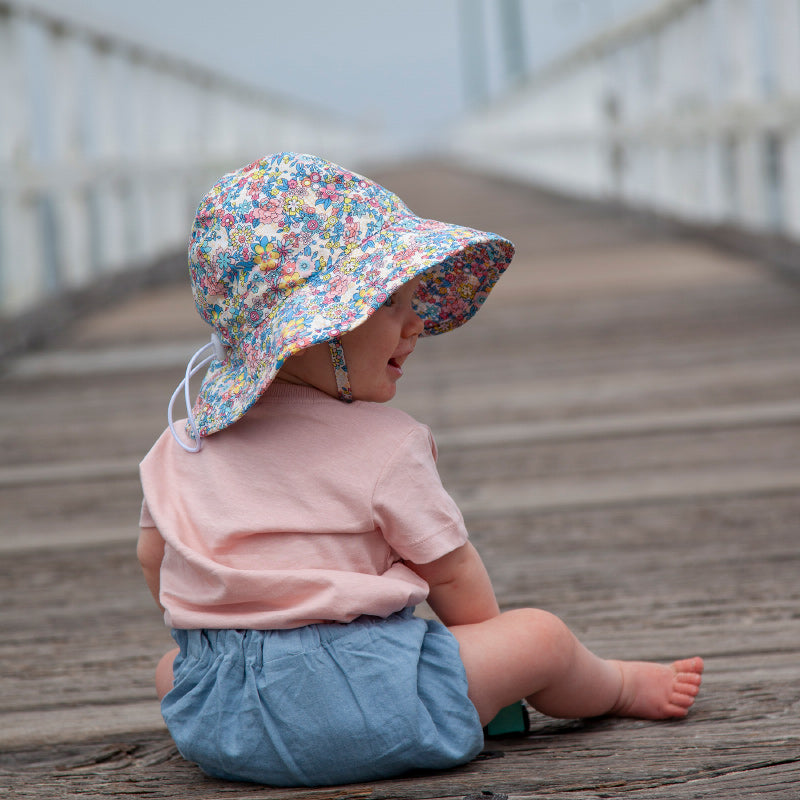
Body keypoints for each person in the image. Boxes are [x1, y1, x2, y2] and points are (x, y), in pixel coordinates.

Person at [137, 152, 703, 788]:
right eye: (391, 305)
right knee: (539, 637)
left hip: (222, 723)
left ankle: (250, 712)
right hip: (370, 709)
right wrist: (494, 676)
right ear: (322, 330)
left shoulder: (180, 445)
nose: (417, 324)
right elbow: (452, 572)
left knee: (171, 666)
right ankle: (619, 685)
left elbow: (156, 562)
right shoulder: (385, 443)